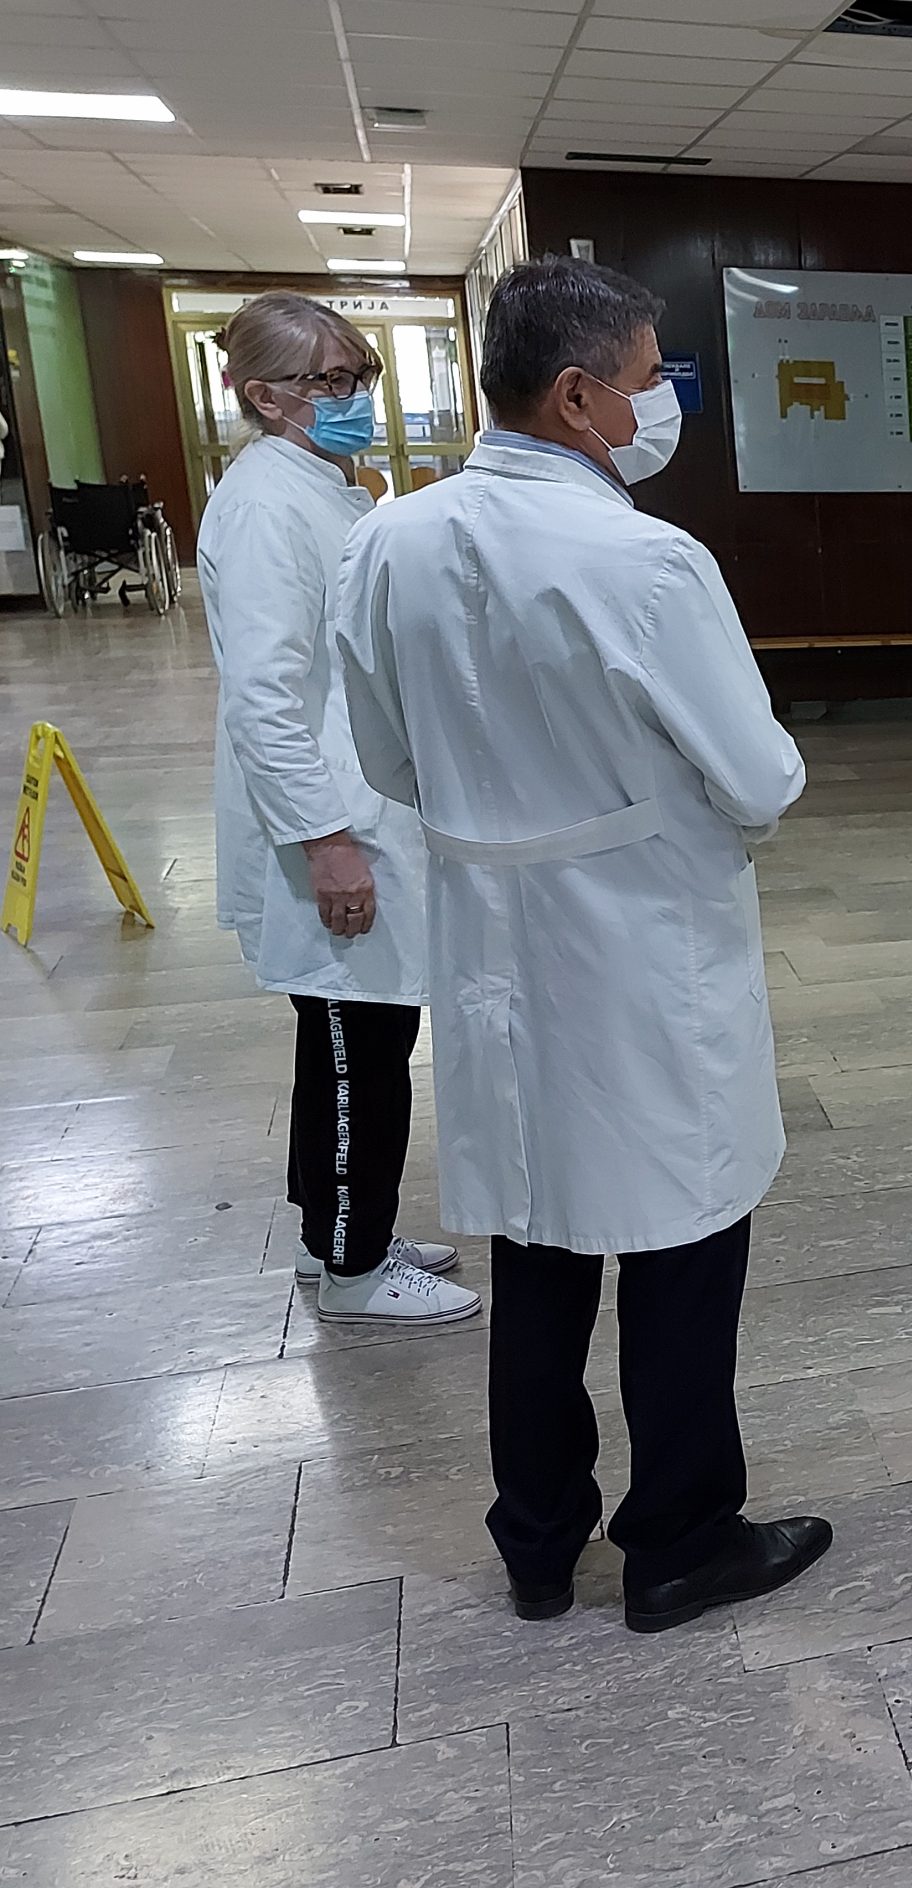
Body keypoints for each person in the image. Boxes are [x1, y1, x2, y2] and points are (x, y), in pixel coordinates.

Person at [333, 257, 829, 1634]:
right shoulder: (648, 560)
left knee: (536, 1238)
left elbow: (386, 757)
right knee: (681, 1238)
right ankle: (680, 1541)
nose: (663, 402)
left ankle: (539, 1542)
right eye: (649, 377)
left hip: (490, 939)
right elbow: (760, 776)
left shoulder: (389, 542)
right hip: (641, 940)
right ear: (574, 396)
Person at [195, 292, 476, 1327]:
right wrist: (328, 844)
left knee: (346, 1042)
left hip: (354, 803)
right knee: (362, 1047)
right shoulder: (268, 507)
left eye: (358, 377)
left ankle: (336, 1236)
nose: (351, 396)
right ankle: (357, 1269)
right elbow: (265, 698)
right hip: (332, 823)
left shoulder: (316, 486)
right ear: (262, 395)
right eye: (326, 380)